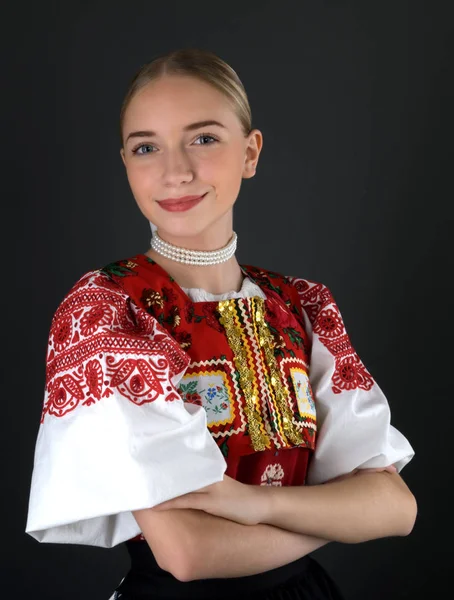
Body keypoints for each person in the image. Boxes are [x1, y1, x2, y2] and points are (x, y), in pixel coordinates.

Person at [25, 48, 417, 600]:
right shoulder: (109, 313)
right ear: (126, 163)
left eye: (203, 138)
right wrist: (337, 516)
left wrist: (258, 504)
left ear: (251, 152)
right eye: (146, 148)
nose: (175, 171)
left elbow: (397, 507)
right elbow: (189, 553)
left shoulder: (301, 307)